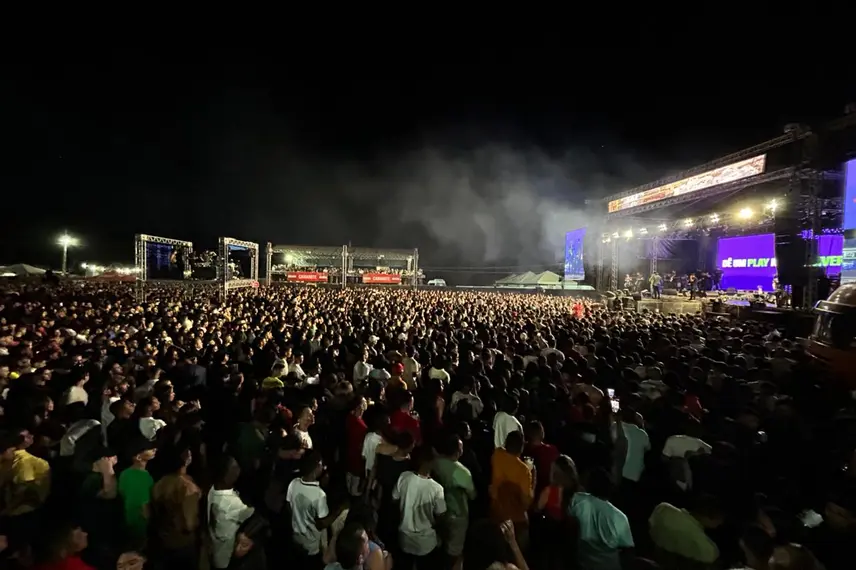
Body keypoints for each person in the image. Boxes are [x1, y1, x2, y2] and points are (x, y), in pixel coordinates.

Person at [286, 450, 347, 565]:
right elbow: (322, 524)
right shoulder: (319, 495)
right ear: (317, 466)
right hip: (311, 546)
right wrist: (339, 510)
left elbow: (289, 508)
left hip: (296, 538)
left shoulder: (293, 483)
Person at [393, 445, 446, 570]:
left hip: (404, 539)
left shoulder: (404, 477)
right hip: (426, 543)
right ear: (429, 462)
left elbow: (394, 500)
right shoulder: (437, 489)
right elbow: (441, 516)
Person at [433, 431, 476, 570]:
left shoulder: (435, 463)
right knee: (454, 551)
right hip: (457, 515)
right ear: (458, 452)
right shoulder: (462, 472)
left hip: (437, 512)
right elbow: (472, 495)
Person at [208, 456, 255, 570]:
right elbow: (252, 514)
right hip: (225, 557)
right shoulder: (231, 503)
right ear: (225, 475)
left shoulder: (213, 489)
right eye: (234, 468)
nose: (238, 470)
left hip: (214, 549)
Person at [490, 431, 534, 550]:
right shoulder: (524, 471)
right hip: (514, 521)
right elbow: (525, 503)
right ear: (522, 447)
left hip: (495, 511)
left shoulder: (497, 454)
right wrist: (532, 473)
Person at [117, 438, 157, 546]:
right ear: (138, 457)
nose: (154, 449)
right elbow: (144, 505)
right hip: (140, 525)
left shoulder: (124, 474)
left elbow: (121, 493)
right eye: (148, 449)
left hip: (126, 521)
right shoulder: (144, 476)